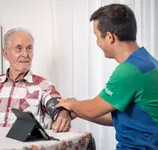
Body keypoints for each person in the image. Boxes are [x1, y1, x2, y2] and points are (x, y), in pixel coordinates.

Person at [57, 3, 158, 149]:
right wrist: (77, 112)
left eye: (97, 36)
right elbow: (118, 117)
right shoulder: (149, 62)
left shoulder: (130, 71)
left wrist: (71, 103)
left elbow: (93, 109)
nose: (97, 42)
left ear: (110, 37)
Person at [0, 28, 71, 132]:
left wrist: (62, 113)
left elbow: (56, 105)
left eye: (29, 48)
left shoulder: (44, 86)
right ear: (5, 54)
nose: (25, 54)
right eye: (19, 48)